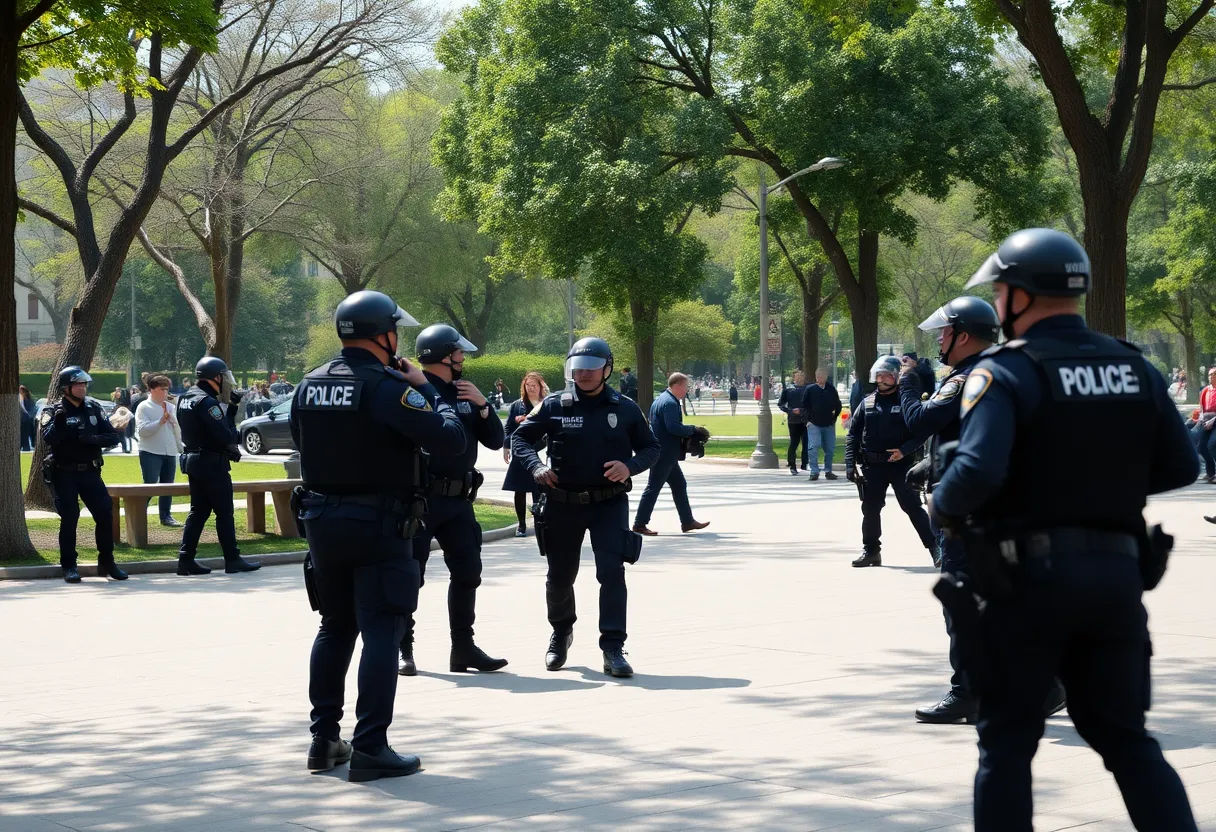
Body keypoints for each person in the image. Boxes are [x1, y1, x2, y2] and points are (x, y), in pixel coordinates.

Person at [930, 228, 1198, 831]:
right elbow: (1182, 465)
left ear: (1020, 295)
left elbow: (975, 473)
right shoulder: (1134, 366)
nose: (997, 303)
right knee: (1127, 741)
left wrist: (944, 502)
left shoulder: (1004, 372)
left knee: (1006, 747)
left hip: (1028, 584)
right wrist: (1102, 493)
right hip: (1115, 580)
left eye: (1000, 290)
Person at [291, 290, 466, 782]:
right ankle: (370, 746)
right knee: (382, 631)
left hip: (322, 522)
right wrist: (430, 392)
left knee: (334, 627)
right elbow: (450, 442)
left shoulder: (310, 384)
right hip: (380, 523)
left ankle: (324, 741)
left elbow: (305, 446)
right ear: (383, 334)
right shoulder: (389, 387)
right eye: (395, 331)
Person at [511, 337, 660, 678]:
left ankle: (612, 646)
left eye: (592, 370)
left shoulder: (624, 407)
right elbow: (520, 438)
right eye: (578, 370)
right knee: (560, 576)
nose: (584, 376)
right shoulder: (553, 405)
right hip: (562, 504)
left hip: (609, 504)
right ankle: (561, 632)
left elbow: (652, 448)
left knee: (611, 573)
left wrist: (630, 467)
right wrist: (535, 466)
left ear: (607, 369)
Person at [898, 297, 1009, 723]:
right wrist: (934, 462)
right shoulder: (997, 372)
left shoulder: (964, 379)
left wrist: (907, 382)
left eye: (944, 332)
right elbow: (977, 435)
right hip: (991, 499)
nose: (939, 340)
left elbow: (919, 420)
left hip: (967, 506)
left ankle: (966, 693)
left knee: (960, 597)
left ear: (963, 335)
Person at [397, 323, 507, 678]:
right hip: (421, 499)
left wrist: (484, 405)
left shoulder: (466, 392)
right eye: (459, 352)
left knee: (468, 572)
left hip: (459, 500)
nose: (463, 358)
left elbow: (494, 441)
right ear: (445, 356)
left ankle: (463, 647)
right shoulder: (411, 389)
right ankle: (403, 648)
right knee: (410, 575)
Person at [844, 355, 937, 567]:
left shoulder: (907, 402)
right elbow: (853, 434)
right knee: (870, 508)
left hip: (900, 465)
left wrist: (904, 451)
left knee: (912, 507)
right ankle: (871, 551)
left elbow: (921, 433)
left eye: (886, 375)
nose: (881, 379)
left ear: (896, 377)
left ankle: (935, 548)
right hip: (872, 466)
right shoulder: (867, 402)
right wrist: (850, 465)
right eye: (879, 375)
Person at [176, 355, 261, 576]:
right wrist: (234, 425)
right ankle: (232, 559)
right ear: (215, 378)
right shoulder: (208, 402)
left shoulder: (186, 398)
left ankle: (185, 560)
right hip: (212, 464)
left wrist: (231, 407)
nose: (225, 381)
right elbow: (226, 436)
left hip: (194, 460)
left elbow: (204, 432)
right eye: (223, 377)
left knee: (198, 511)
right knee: (224, 513)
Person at [40, 366, 126, 583]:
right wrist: (59, 424)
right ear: (66, 388)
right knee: (70, 518)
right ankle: (69, 565)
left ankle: (107, 562)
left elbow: (112, 437)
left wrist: (91, 439)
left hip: (90, 472)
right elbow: (48, 439)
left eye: (84, 384)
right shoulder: (53, 411)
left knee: (105, 514)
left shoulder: (94, 408)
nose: (82, 388)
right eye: (78, 384)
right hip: (65, 473)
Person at [632, 372, 710, 535]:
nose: (686, 390)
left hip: (665, 452)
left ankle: (687, 521)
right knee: (653, 487)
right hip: (664, 453)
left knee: (679, 485)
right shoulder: (670, 403)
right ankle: (640, 523)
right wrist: (693, 429)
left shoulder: (661, 400)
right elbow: (673, 427)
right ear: (676, 386)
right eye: (685, 387)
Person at [503, 371, 549, 537]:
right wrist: (506, 446)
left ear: (540, 386)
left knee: (539, 489)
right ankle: (521, 524)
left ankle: (539, 522)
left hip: (539, 449)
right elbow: (508, 428)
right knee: (520, 489)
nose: (531, 389)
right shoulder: (517, 405)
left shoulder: (546, 404)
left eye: (534, 386)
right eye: (528, 386)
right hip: (521, 451)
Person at [135, 375, 184, 528]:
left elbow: (176, 429)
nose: (165, 392)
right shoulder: (144, 407)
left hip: (169, 452)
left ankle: (166, 516)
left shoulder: (170, 406)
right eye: (162, 389)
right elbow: (142, 431)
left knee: (167, 485)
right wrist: (160, 421)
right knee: (150, 484)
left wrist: (180, 446)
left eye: (167, 389)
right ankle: (137, 511)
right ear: (151, 389)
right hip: (150, 451)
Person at [802, 369, 842, 481]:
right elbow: (804, 406)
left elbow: (838, 404)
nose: (820, 378)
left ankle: (828, 470)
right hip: (814, 423)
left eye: (823, 376)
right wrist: (807, 421)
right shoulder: (810, 389)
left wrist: (834, 417)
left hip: (829, 423)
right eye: (818, 376)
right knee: (813, 446)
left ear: (826, 376)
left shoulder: (831, 389)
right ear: (816, 377)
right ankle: (814, 471)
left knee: (829, 448)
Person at [777, 371, 808, 474]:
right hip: (793, 421)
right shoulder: (788, 390)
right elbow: (781, 404)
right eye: (798, 376)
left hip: (806, 420)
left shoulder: (808, 389)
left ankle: (805, 464)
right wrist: (790, 411)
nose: (800, 378)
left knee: (807, 443)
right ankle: (792, 465)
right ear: (794, 378)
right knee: (794, 443)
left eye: (802, 376)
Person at [1197, 368, 1216, 482]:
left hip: (1215, 420)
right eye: (1209, 375)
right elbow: (1201, 407)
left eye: (1213, 374)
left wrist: (1213, 420)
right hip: (1206, 420)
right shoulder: (1205, 390)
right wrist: (1201, 418)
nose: (1211, 377)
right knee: (1201, 447)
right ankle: (1211, 473)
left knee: (1212, 444)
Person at [19, 384, 36, 450]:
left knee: (25, 435)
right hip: (25, 420)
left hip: (26, 421)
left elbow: (29, 411)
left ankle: (26, 448)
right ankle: (24, 447)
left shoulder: (27, 400)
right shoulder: (25, 400)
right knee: (23, 436)